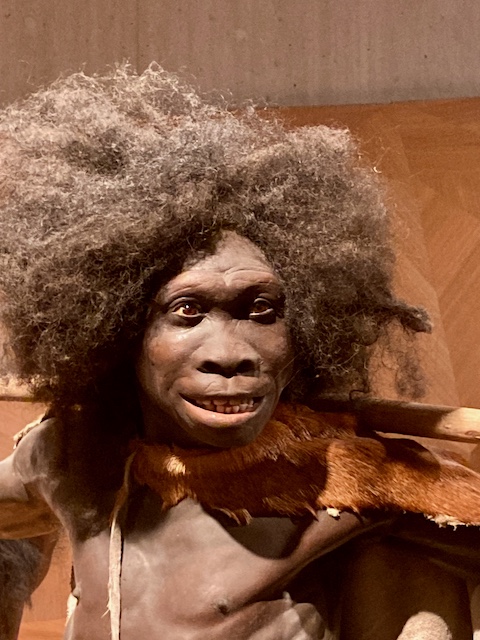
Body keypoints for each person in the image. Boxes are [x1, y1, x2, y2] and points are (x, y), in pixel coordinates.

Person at [0, 64, 480, 640]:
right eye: (187, 311)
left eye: (261, 310)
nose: (230, 354)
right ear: (120, 333)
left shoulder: (356, 487)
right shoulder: (71, 454)